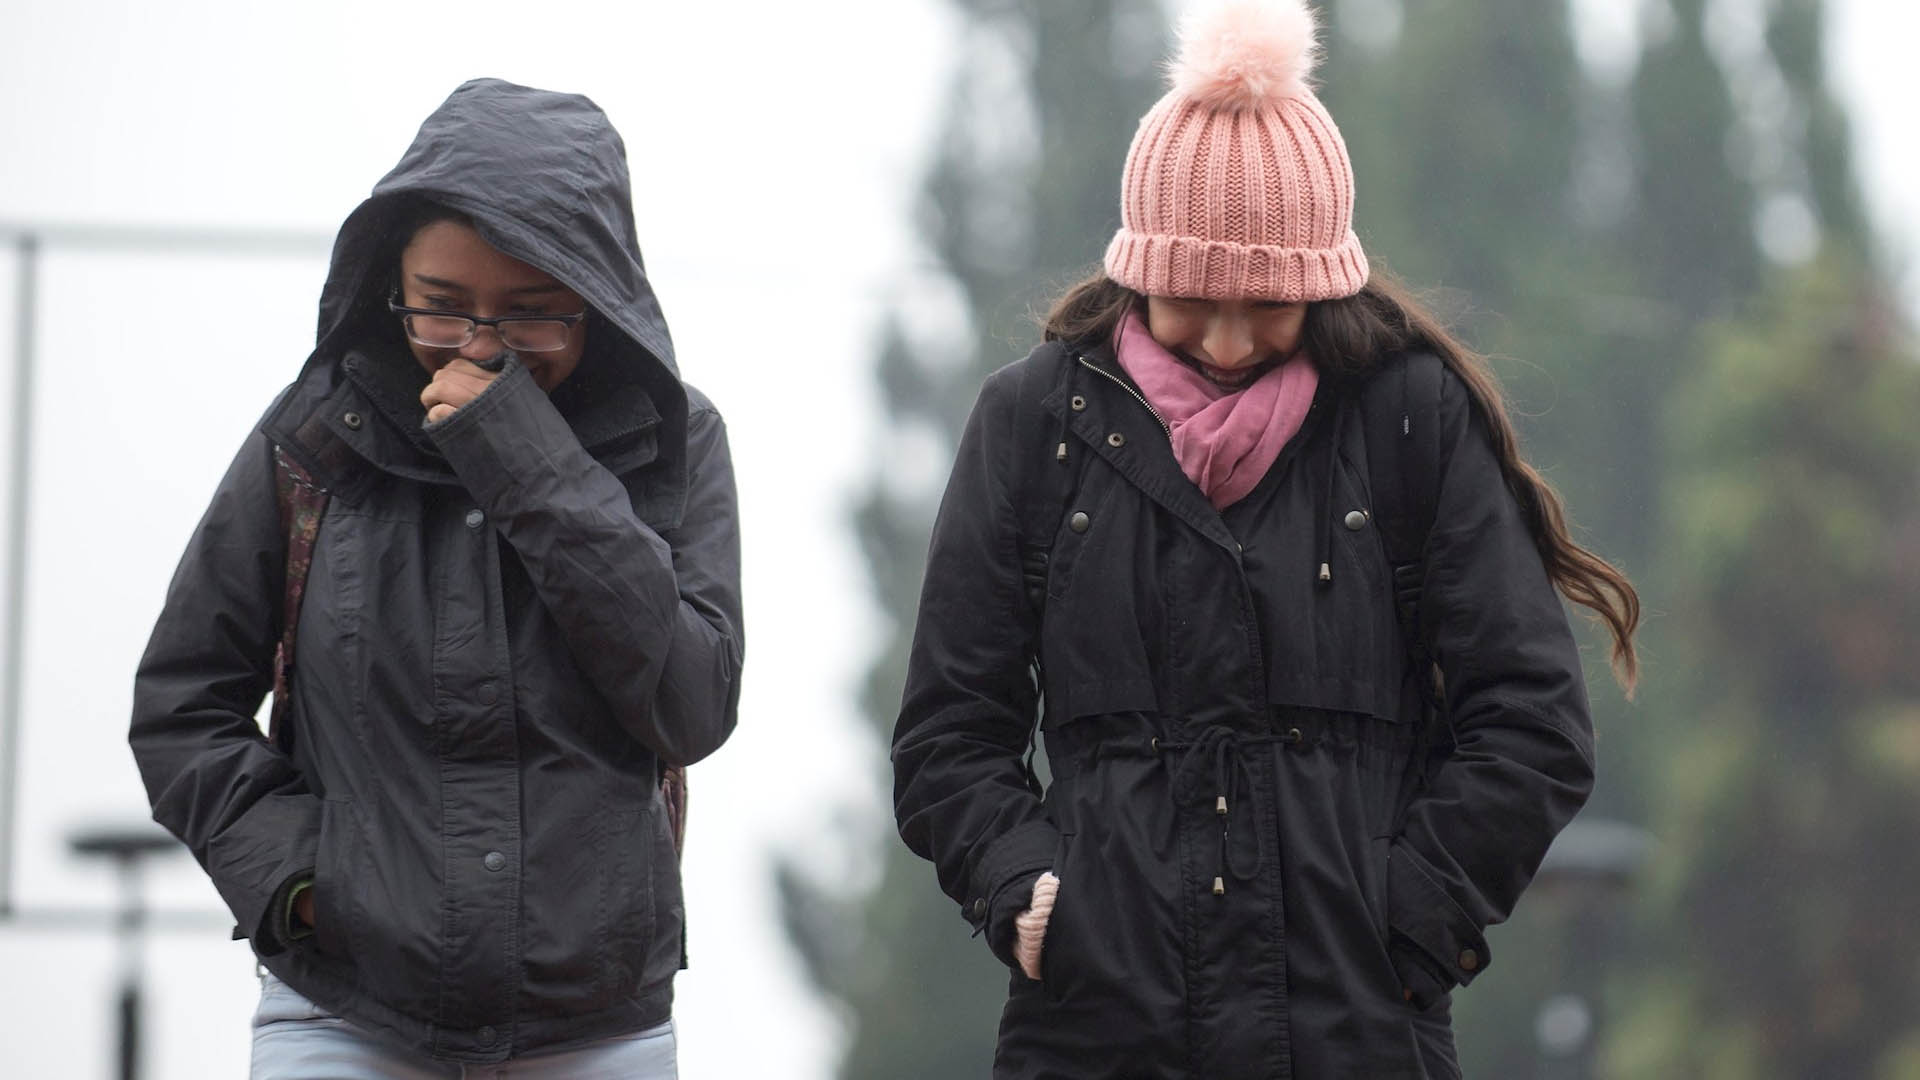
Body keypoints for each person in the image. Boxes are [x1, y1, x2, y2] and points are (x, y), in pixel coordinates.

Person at [890, 2, 1640, 1077]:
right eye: (1194, 300)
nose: (1230, 342)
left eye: (1270, 305)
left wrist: (1415, 920)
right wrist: (1026, 896)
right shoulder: (1032, 426)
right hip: (1099, 1037)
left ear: (1324, 283)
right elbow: (949, 736)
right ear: (1138, 265)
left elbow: (1531, 722)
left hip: (1359, 1034)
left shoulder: (1408, 419)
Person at [129, 78, 742, 1078]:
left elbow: (691, 703)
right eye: (442, 309)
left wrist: (523, 455)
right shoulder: (313, 438)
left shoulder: (675, 444)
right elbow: (181, 704)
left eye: (534, 315)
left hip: (600, 1029)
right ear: (388, 280)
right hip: (345, 1016)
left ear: (599, 297)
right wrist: (302, 884)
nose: (482, 347)